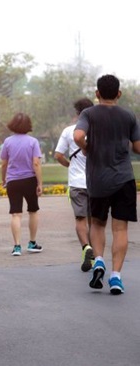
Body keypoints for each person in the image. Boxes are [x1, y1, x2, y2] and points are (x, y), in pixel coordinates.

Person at [73, 74, 140, 295]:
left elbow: (78, 135)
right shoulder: (129, 115)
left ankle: (99, 261)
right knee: (120, 228)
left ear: (97, 93)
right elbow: (138, 147)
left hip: (98, 181)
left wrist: (85, 147)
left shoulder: (88, 113)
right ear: (119, 93)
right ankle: (116, 278)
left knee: (98, 224)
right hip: (124, 179)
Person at [54, 98, 95, 272]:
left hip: (77, 183)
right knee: (96, 221)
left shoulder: (69, 131)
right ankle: (96, 257)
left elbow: (58, 155)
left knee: (80, 219)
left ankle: (86, 247)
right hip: (96, 181)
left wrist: (68, 164)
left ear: (77, 113)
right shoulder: (97, 130)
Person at [0, 113, 43, 256]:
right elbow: (36, 163)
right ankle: (32, 242)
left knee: (16, 214)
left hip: (13, 181)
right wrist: (40, 183)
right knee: (33, 210)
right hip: (29, 180)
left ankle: (17, 246)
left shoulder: (7, 142)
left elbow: (4, 163)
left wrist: (4, 179)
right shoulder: (33, 142)